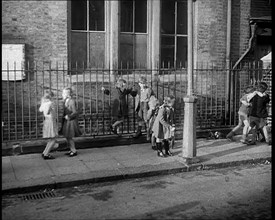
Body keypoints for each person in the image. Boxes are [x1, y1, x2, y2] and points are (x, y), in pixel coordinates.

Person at [60, 87, 82, 157]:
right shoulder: (66, 100)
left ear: (67, 94)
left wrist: (69, 116)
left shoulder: (71, 101)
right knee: (67, 136)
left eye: (64, 93)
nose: (62, 94)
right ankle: (71, 149)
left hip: (71, 121)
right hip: (67, 121)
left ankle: (74, 150)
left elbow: (75, 112)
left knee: (69, 137)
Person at [39, 90, 59, 160]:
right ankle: (46, 154)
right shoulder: (50, 103)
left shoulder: (44, 103)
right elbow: (47, 112)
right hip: (51, 121)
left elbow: (40, 110)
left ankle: (45, 152)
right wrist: (51, 109)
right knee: (53, 139)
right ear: (51, 97)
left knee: (51, 139)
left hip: (47, 121)